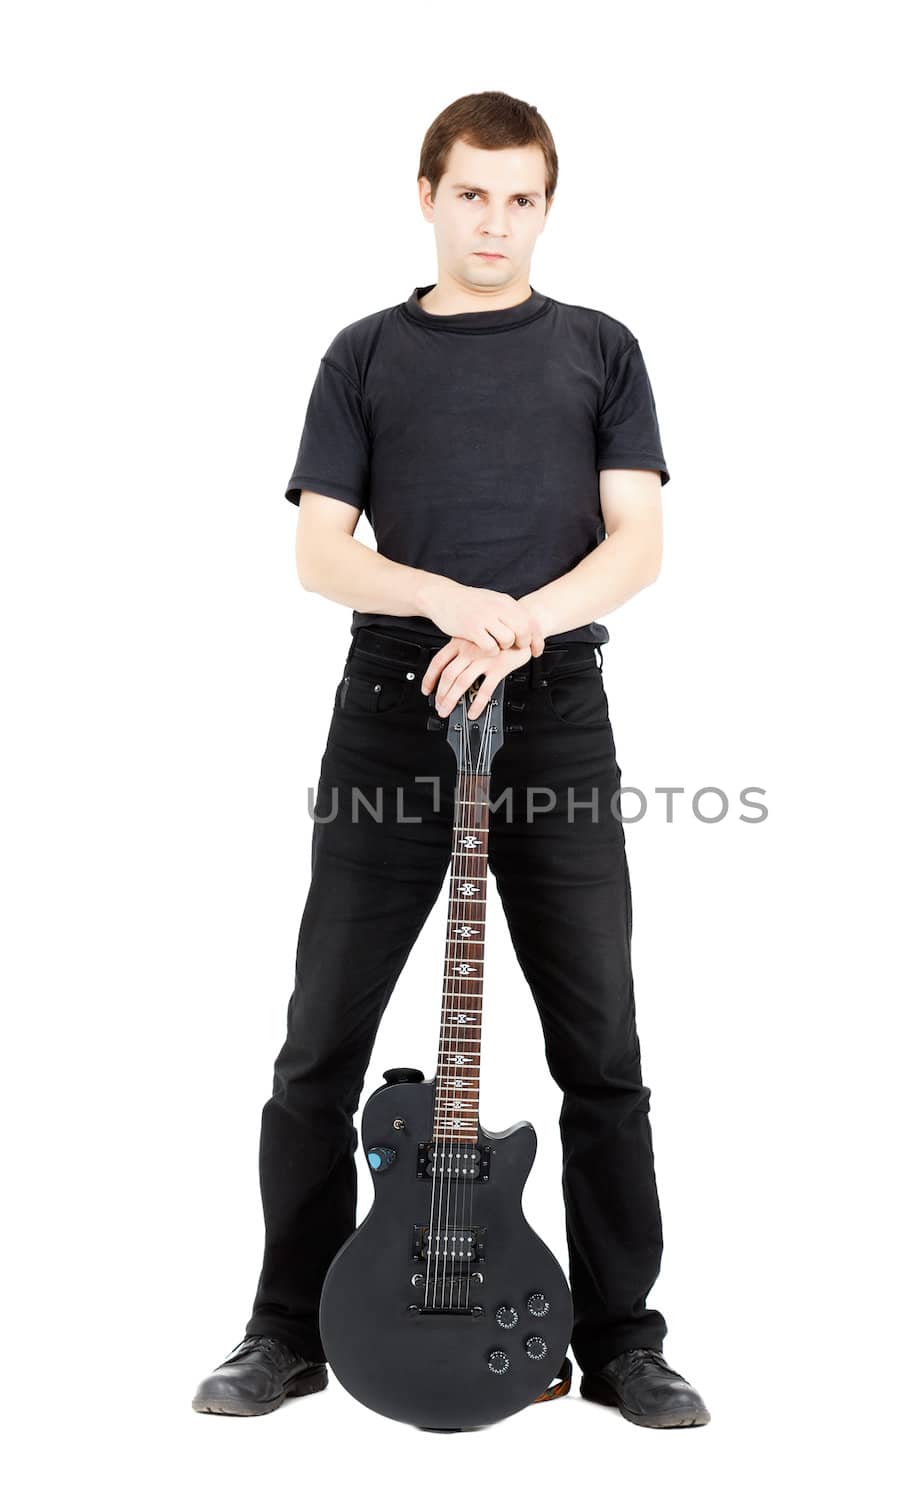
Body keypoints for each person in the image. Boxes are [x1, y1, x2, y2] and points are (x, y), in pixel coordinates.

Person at [192, 90, 709, 1430]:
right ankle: (286, 1330)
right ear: (427, 194)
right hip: (390, 706)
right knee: (322, 1040)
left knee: (601, 1041)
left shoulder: (601, 348)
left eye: (521, 196)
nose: (495, 220)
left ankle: (621, 1339)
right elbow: (320, 555)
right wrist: (449, 603)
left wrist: (523, 625)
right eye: (472, 192)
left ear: (547, 206)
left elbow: (636, 543)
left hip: (556, 712)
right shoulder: (365, 354)